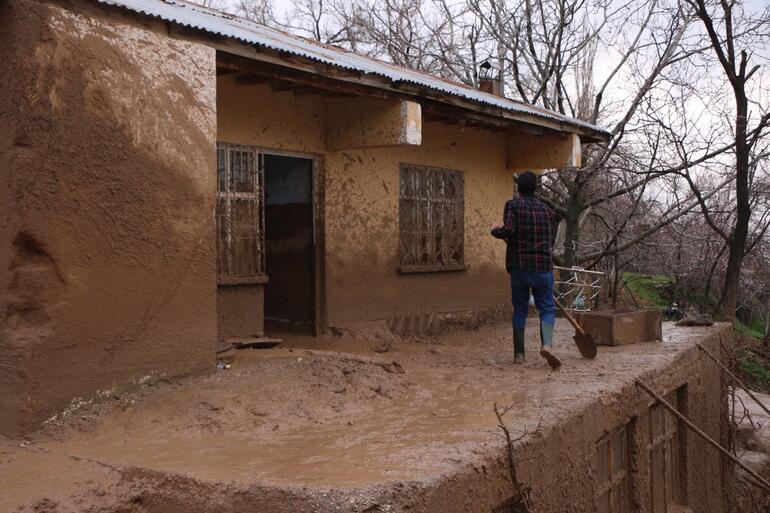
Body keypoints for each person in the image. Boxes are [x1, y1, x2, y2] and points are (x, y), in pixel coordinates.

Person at [491, 171, 561, 369]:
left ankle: (520, 355)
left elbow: (509, 231)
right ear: (535, 188)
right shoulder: (547, 210)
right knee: (547, 308)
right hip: (543, 267)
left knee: (520, 309)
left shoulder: (513, 205)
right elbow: (548, 240)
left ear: (518, 188)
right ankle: (546, 345)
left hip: (520, 267)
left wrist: (495, 229)